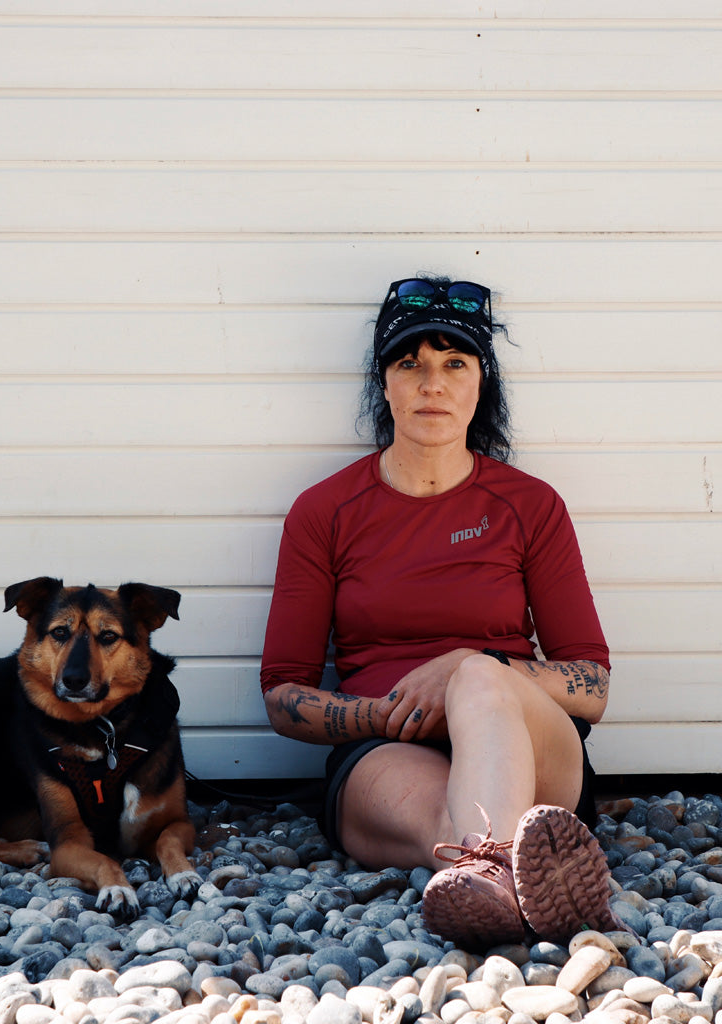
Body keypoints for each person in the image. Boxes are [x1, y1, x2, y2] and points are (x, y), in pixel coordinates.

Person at [259, 275, 618, 949]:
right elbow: (282, 695)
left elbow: (592, 689)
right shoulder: (324, 512)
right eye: (410, 364)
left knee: (479, 678)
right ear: (384, 383)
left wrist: (464, 670)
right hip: (385, 749)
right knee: (457, 830)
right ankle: (507, 878)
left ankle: (495, 876)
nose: (433, 383)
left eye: (456, 362)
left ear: (482, 382)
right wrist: (384, 711)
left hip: (530, 737)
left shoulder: (529, 505)